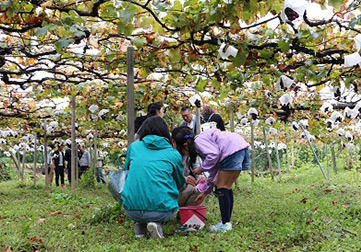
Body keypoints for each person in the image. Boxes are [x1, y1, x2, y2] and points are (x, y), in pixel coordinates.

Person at [174, 128, 250, 232]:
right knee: (226, 187)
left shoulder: (198, 142)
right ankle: (226, 221)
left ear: (185, 145)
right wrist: (206, 192)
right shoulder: (204, 144)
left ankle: (225, 224)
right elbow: (214, 172)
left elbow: (214, 155)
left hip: (231, 150)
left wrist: (201, 168)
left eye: (183, 152)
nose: (185, 155)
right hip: (241, 148)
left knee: (222, 187)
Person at [121, 116, 185, 239]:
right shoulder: (173, 153)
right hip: (161, 212)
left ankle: (139, 226)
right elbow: (180, 181)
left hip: (131, 209)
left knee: (138, 186)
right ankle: (155, 223)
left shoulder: (134, 147)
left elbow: (126, 170)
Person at [171, 127, 205, 207]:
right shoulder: (169, 157)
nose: (187, 154)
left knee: (200, 188)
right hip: (167, 195)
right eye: (185, 151)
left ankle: (186, 214)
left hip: (179, 190)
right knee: (190, 188)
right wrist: (183, 179)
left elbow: (196, 167)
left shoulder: (191, 151)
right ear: (173, 142)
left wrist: (201, 178)